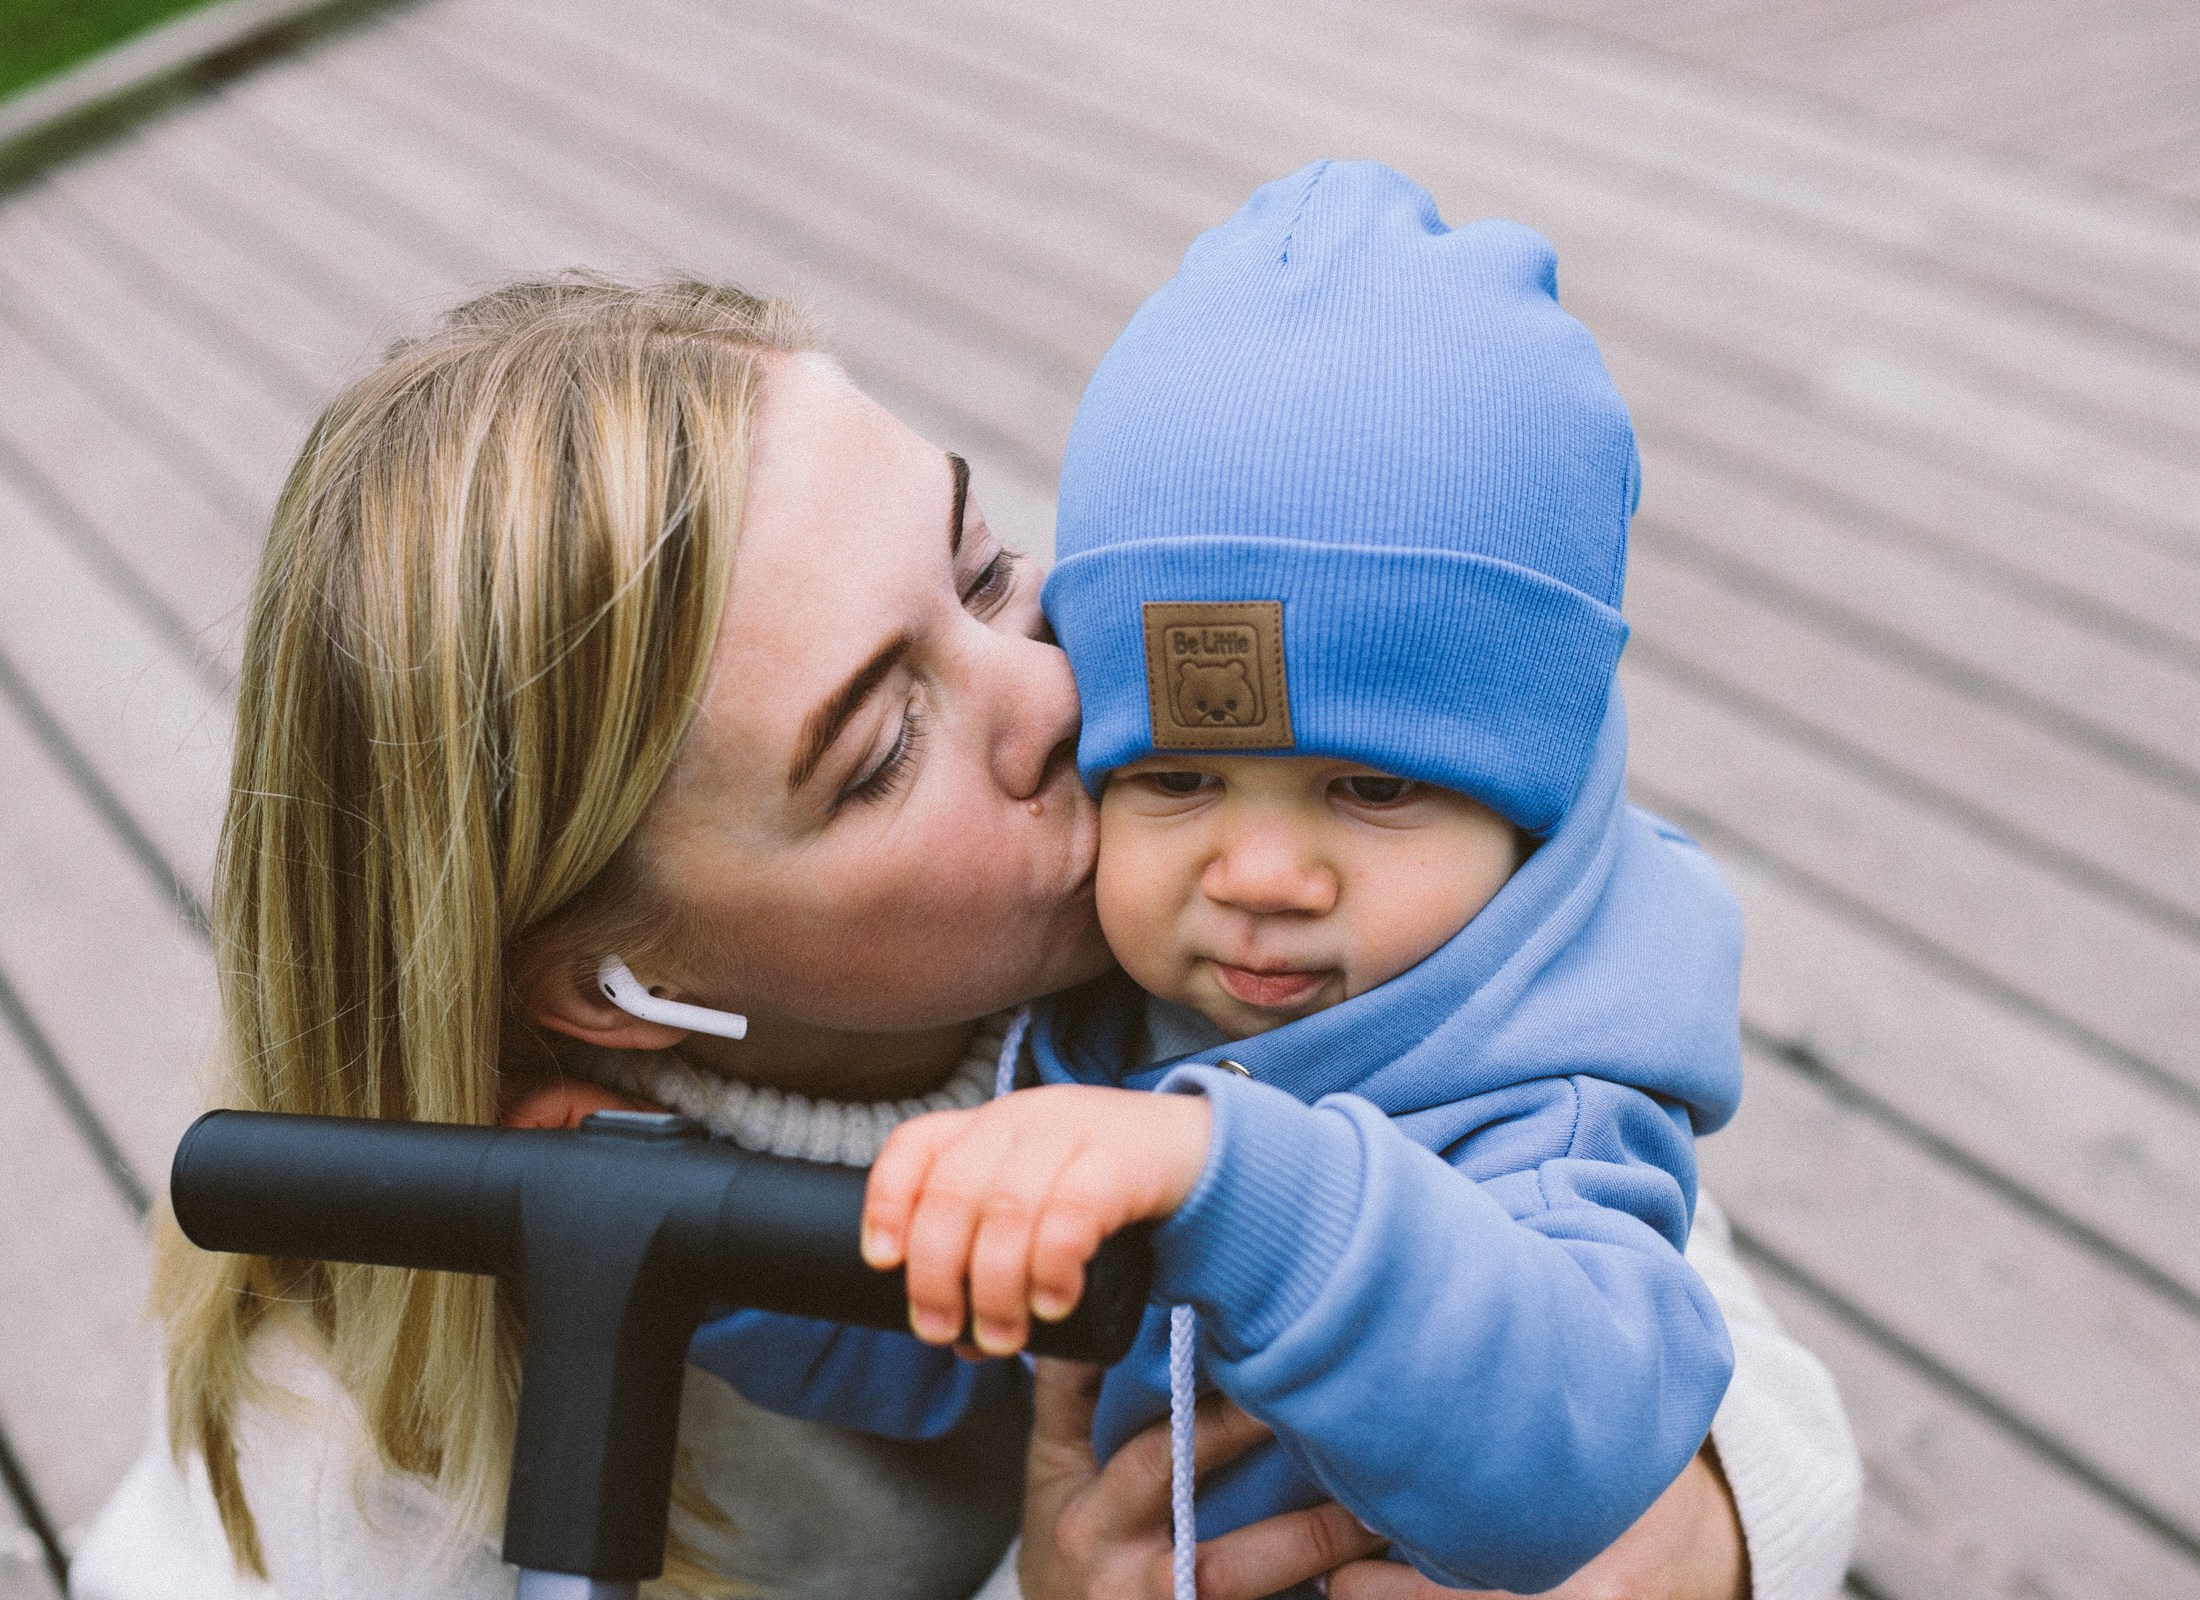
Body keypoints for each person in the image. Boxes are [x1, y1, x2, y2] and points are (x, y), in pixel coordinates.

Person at [68, 274, 1856, 1600]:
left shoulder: (1213, 903)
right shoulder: (366, 1465)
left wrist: (1697, 1535)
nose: (1066, 694)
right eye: (882, 746)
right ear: (608, 990)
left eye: (986, 565)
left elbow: (1674, 1296)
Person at [735, 160, 1746, 1597]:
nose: (1261, 876)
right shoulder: (1106, 1035)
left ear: (1525, 799)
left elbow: (1578, 1453)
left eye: (1374, 788)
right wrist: (704, 1260)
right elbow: (952, 1348)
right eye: (1179, 780)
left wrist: (1243, 1189)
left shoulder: (1545, 1097)